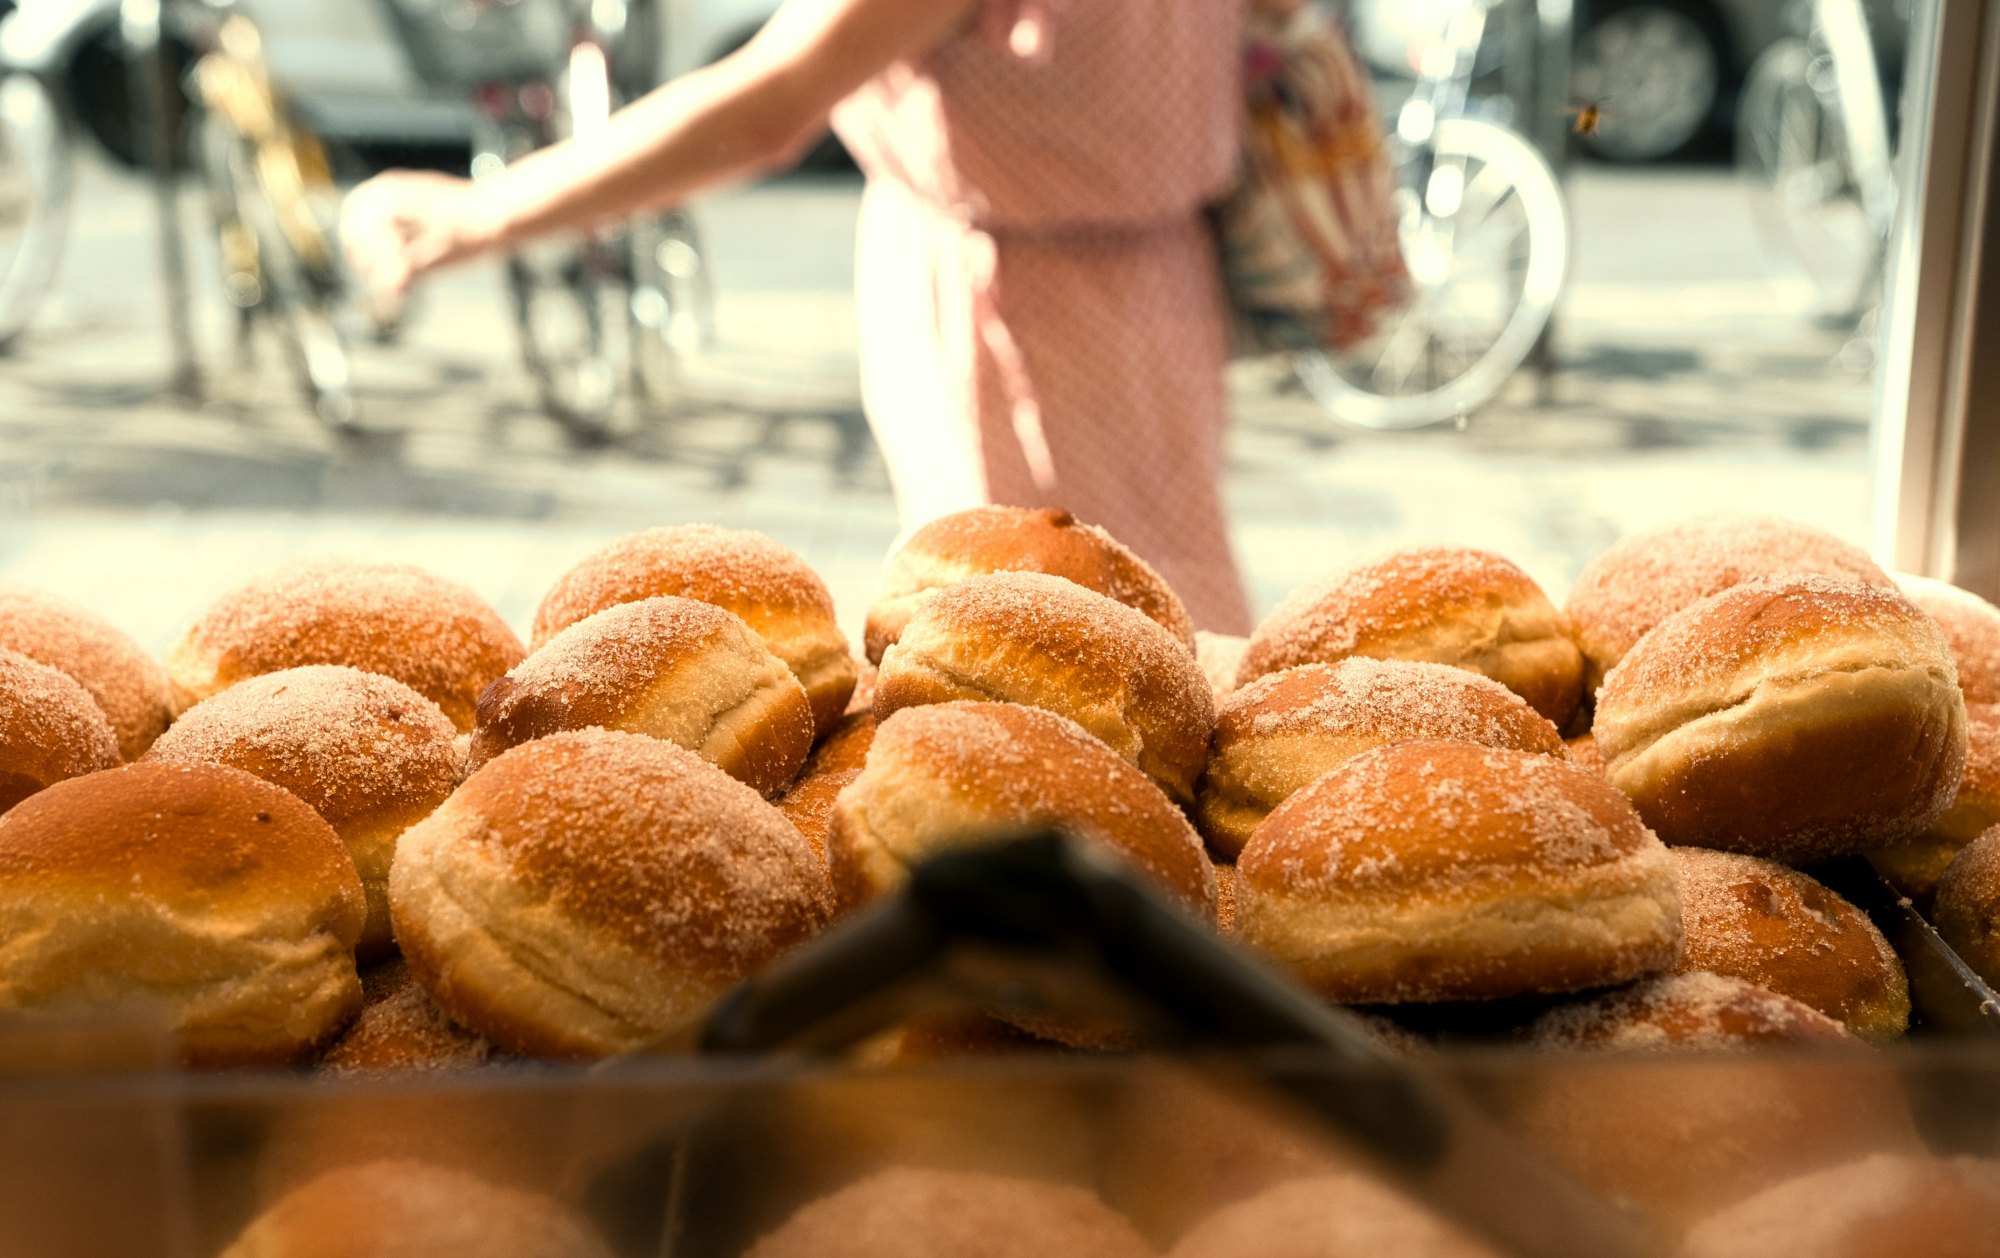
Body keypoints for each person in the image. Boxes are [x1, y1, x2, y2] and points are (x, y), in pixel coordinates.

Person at [342, 0, 1253, 632]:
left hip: (1014, 301)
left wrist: (478, 214)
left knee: (1040, 637)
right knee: (1149, 602)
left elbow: (769, 105)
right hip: (1154, 276)